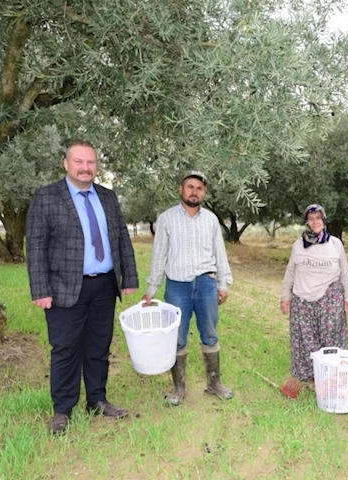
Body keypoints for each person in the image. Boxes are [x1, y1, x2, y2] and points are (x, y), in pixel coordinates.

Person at [26, 139, 139, 435]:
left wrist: (130, 278)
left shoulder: (108, 197)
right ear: (66, 164)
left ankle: (97, 400)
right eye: (79, 162)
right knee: (65, 348)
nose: (85, 168)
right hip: (64, 288)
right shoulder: (47, 197)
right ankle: (62, 410)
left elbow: (121, 239)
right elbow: (36, 247)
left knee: (99, 346)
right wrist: (40, 289)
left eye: (90, 162)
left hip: (104, 286)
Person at [143, 170, 234, 406]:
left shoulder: (211, 219)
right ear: (181, 190)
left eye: (199, 188)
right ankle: (179, 389)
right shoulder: (166, 219)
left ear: (204, 193)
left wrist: (223, 284)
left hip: (206, 284)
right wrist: (152, 289)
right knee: (177, 337)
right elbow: (159, 255)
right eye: (190, 187)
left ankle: (214, 384)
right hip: (177, 287)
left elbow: (220, 254)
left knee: (210, 334)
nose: (194, 192)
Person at [280, 204, 348, 388]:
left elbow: (345, 272)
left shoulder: (335, 243)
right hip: (302, 299)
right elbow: (291, 272)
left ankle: (332, 377)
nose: (315, 222)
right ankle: (311, 379)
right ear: (307, 222)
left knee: (331, 339)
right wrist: (285, 297)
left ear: (324, 220)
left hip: (329, 298)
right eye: (311, 219)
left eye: (318, 218)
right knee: (305, 339)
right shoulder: (298, 245)